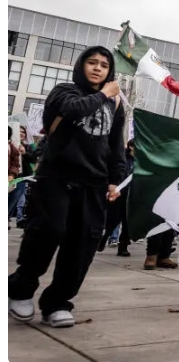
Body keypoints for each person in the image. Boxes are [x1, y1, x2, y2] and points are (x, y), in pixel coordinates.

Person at [8, 46, 126, 328]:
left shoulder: (115, 105)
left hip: (94, 183)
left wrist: (114, 179)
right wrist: (103, 94)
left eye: (104, 65)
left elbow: (115, 144)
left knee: (82, 244)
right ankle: (20, 290)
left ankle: (58, 302)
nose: (98, 68)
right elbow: (73, 111)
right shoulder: (65, 91)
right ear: (81, 65)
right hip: (56, 178)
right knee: (47, 232)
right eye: (92, 62)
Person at [100, 139, 135, 257]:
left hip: (132, 196)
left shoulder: (141, 162)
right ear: (131, 147)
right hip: (119, 194)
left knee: (127, 223)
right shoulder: (123, 159)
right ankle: (104, 238)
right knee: (113, 220)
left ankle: (123, 248)